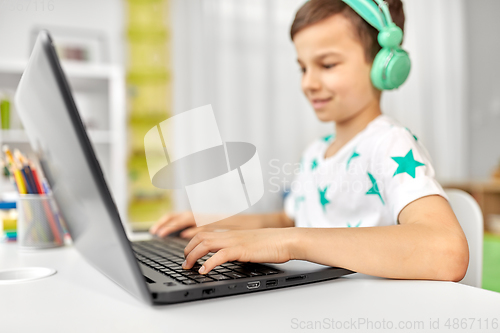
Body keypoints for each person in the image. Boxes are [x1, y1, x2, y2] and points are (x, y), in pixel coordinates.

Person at [150, 0, 469, 281]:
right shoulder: (317, 152)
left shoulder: (389, 144)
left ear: (384, 65)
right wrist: (213, 224)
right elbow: (288, 219)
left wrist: (290, 242)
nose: (308, 83)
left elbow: (447, 251)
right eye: (303, 68)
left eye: (327, 65)